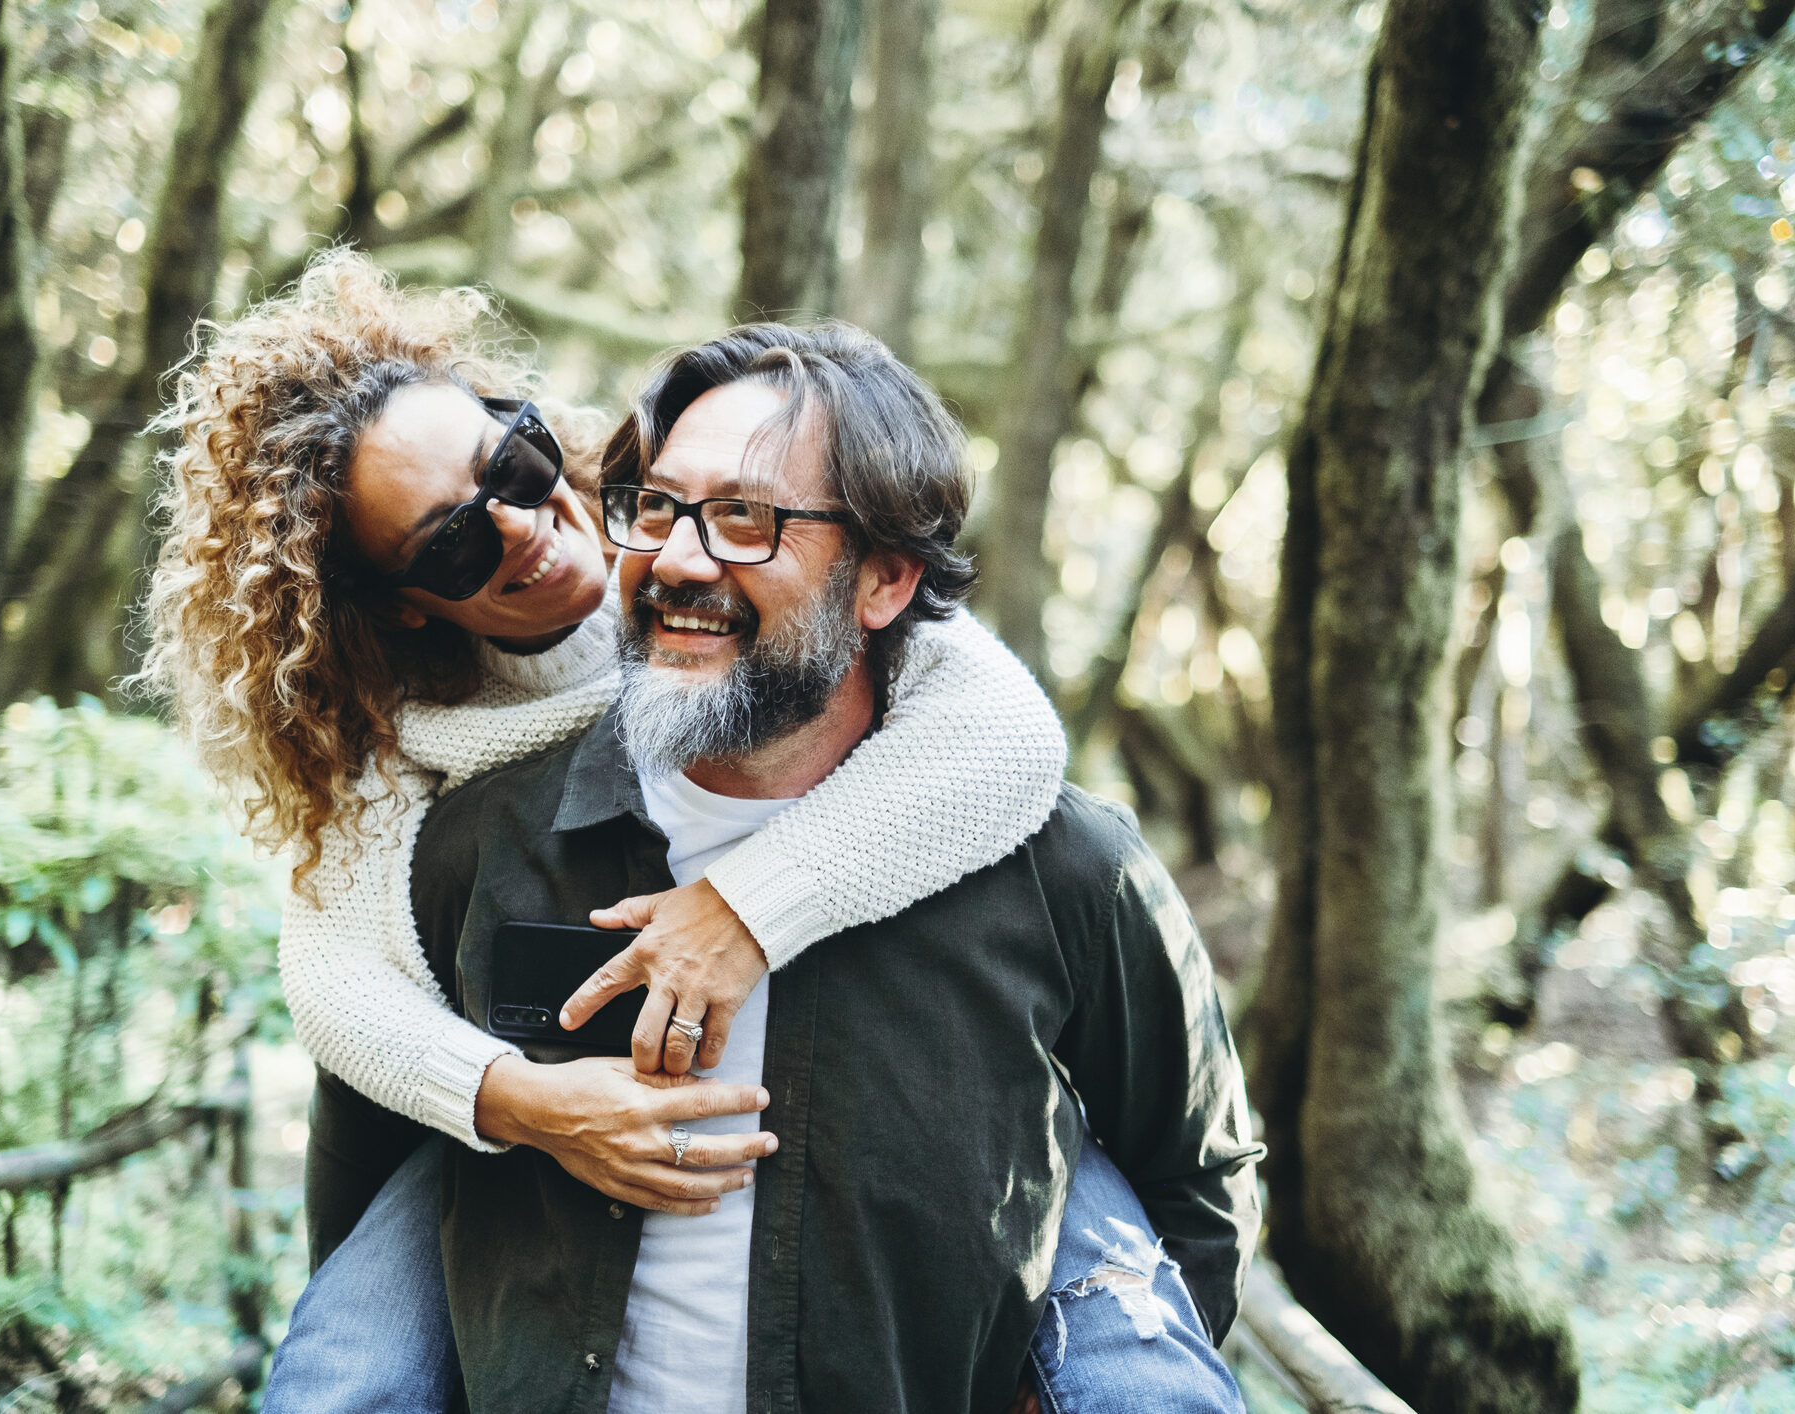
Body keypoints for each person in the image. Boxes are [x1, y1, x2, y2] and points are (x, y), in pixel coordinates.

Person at [141, 257, 1246, 1408]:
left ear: (883, 580)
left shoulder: (1019, 822)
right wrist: (513, 1100)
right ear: (406, 601)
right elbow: (338, 1023)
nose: (533, 528)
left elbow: (1193, 1165)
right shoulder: (429, 800)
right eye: (660, 509)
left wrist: (743, 910)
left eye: (744, 520)